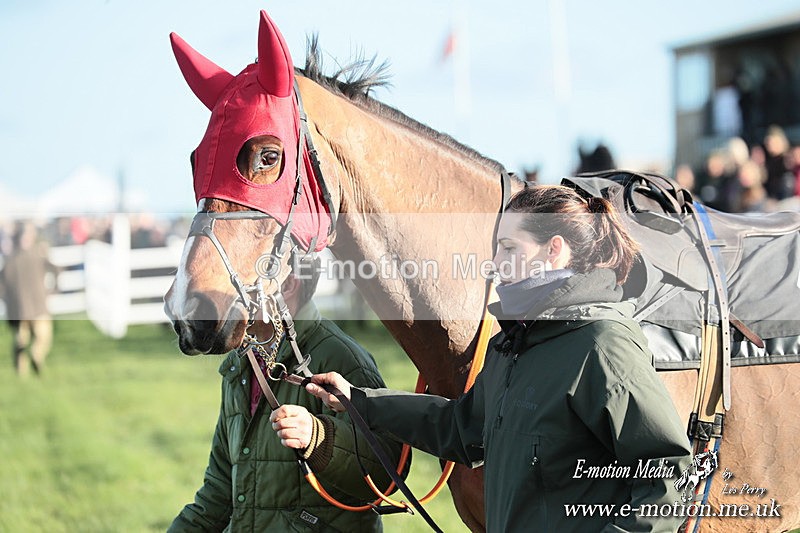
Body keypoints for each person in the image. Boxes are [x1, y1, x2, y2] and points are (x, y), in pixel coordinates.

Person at [304, 185, 693, 532]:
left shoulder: (603, 344)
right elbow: (461, 428)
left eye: (509, 248)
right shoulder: (512, 342)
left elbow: (667, 478)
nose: (494, 263)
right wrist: (359, 401)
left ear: (554, 249)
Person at [169, 258, 405, 532]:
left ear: (288, 283)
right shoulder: (241, 363)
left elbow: (385, 476)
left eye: (241, 279)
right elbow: (220, 491)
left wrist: (319, 438)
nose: (223, 292)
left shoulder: (342, 358)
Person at [0, 222, 56, 377]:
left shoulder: (35, 256)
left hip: (31, 306)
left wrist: (51, 291)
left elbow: (55, 270)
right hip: (27, 308)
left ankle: (34, 358)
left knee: (38, 337)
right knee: (25, 339)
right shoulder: (16, 260)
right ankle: (24, 369)